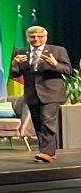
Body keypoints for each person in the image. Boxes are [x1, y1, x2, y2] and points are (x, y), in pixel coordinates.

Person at [11, 25, 72, 163]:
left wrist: (55, 64)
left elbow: (68, 70)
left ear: (46, 37)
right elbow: (15, 74)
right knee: (38, 124)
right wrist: (14, 64)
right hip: (32, 94)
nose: (36, 39)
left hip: (51, 93)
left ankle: (46, 152)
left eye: (40, 36)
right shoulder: (21, 52)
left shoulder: (58, 50)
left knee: (47, 121)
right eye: (33, 37)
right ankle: (46, 152)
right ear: (27, 38)